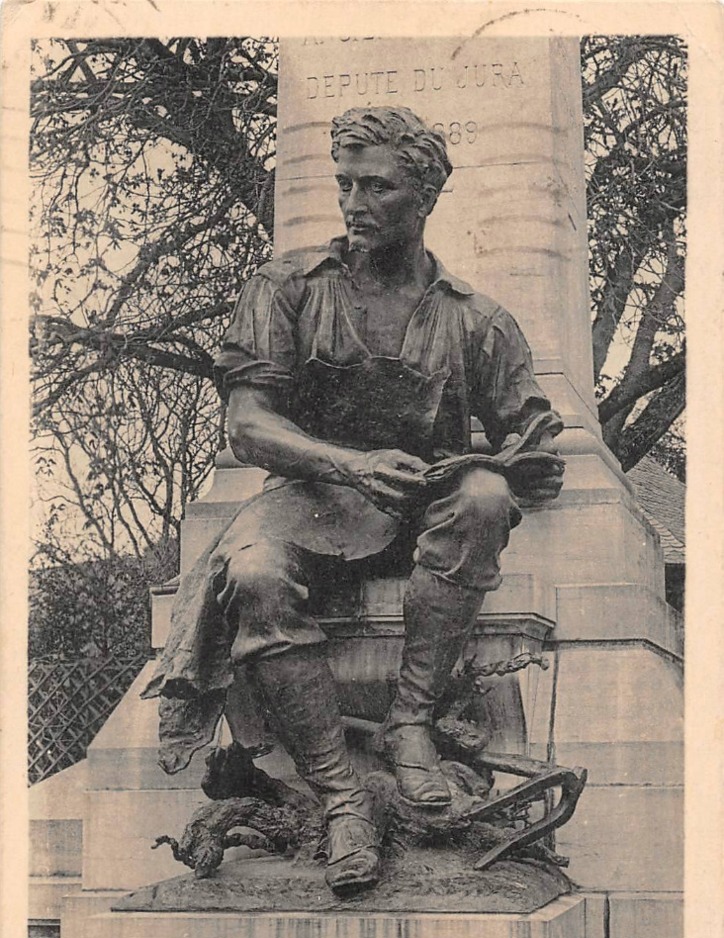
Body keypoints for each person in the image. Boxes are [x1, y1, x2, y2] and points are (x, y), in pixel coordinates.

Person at [142, 106, 565, 896]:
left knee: (481, 495)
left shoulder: (479, 319)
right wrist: (351, 464)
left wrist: (528, 466)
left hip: (423, 506)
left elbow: (531, 426)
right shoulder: (285, 289)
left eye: (378, 186)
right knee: (257, 573)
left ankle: (410, 722)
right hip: (312, 500)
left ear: (424, 195)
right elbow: (248, 425)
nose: (354, 202)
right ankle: (340, 798)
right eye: (345, 184)